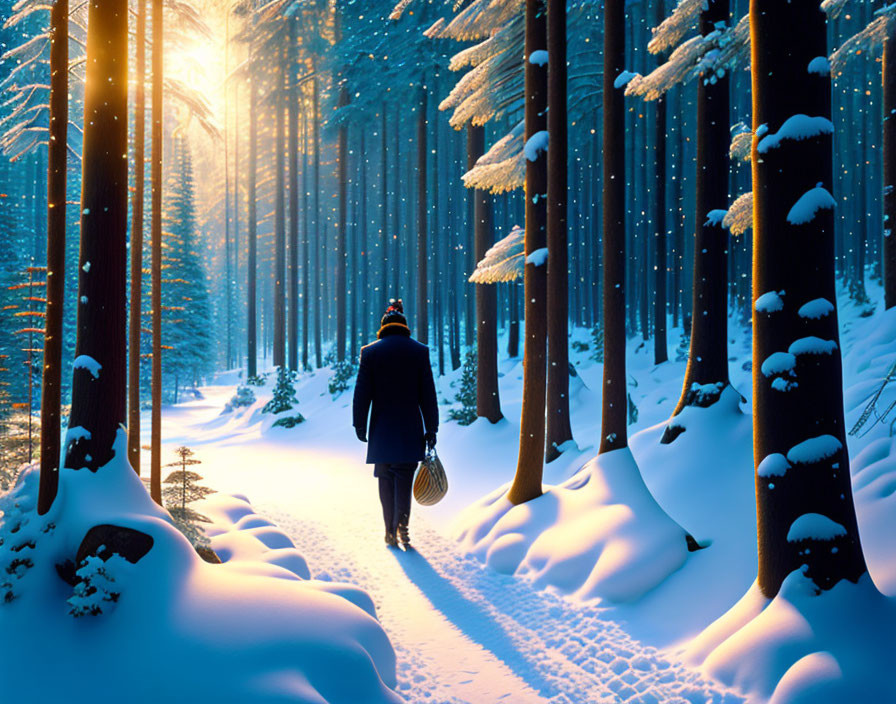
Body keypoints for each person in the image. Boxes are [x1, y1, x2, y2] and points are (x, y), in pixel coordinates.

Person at [352, 299, 438, 549]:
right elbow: (428, 394)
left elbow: (362, 393)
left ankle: (389, 530)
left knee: (385, 478)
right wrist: (431, 428)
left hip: (381, 428)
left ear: (383, 328)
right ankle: (403, 526)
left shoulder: (370, 352)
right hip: (410, 428)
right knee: (404, 479)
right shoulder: (419, 351)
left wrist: (359, 424)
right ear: (405, 327)